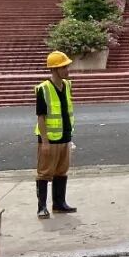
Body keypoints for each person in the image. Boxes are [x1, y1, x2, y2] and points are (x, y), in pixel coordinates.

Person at [35, 50, 77, 219]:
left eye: (67, 66)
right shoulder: (43, 89)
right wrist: (44, 141)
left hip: (65, 136)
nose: (67, 70)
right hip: (49, 139)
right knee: (44, 172)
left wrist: (70, 137)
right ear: (54, 69)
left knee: (61, 171)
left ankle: (59, 204)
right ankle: (41, 207)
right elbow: (41, 117)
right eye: (63, 67)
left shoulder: (67, 85)